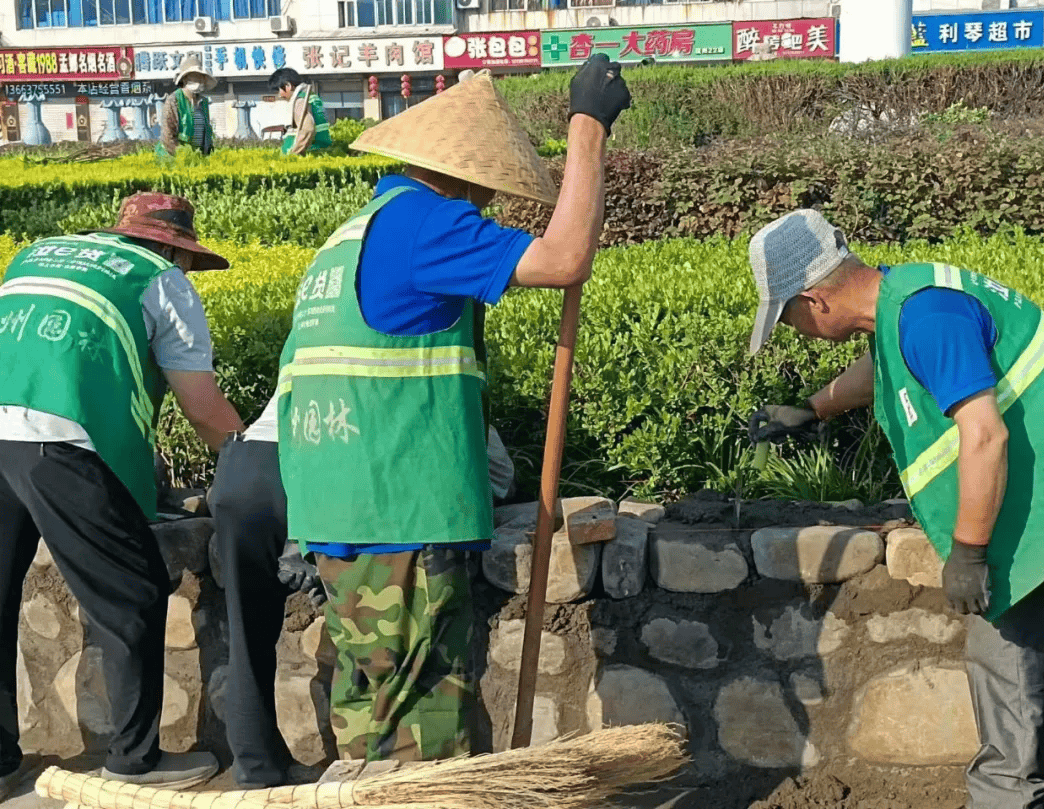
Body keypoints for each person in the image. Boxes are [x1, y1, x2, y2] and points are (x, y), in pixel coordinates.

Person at [275, 57, 630, 764]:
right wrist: (587, 128)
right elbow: (563, 258)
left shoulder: (352, 237)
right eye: (485, 188)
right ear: (460, 174)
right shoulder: (424, 227)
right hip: (398, 518)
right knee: (422, 737)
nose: (487, 208)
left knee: (374, 716)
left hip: (342, 514)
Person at [746, 209, 1044, 809]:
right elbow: (887, 365)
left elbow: (985, 436)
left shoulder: (928, 315)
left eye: (787, 315)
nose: (792, 329)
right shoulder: (900, 300)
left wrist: (969, 551)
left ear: (815, 298)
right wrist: (812, 408)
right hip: (1027, 520)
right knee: (998, 669)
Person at [0, 193, 246, 794]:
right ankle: (135, 764)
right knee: (131, 593)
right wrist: (251, 468)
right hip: (58, 439)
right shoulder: (162, 281)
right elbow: (204, 408)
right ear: (172, 247)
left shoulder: (35, 254)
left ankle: (3, 764)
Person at [210, 385, 517, 788]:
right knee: (407, 674)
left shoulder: (325, 341)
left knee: (249, 640)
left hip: (244, 468)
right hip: (330, 481)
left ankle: (256, 774)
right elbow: (498, 476)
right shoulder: (434, 377)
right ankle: (401, 788)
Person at [159, 55, 215, 157]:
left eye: (201, 77)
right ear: (185, 79)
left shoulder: (203, 102)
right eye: (195, 76)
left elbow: (207, 133)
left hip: (200, 158)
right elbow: (168, 136)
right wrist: (183, 155)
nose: (200, 79)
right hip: (178, 159)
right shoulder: (174, 100)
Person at [268, 68, 332, 157]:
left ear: (288, 86)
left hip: (309, 153)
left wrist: (295, 153)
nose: (279, 95)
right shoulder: (310, 96)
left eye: (279, 90)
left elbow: (307, 128)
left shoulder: (300, 100)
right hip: (319, 150)